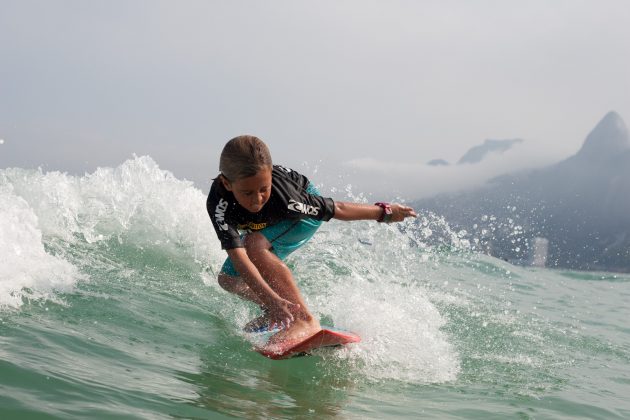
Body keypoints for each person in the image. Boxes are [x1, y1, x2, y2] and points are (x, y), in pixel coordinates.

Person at [207, 135, 417, 351]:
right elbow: (238, 256)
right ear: (227, 184)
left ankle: (303, 319)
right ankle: (276, 310)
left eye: (263, 189)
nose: (257, 199)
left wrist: (385, 212)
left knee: (254, 244)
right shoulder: (218, 204)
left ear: (270, 176)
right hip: (268, 224)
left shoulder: (288, 198)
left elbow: (339, 209)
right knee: (228, 280)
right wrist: (270, 299)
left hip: (300, 217)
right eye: (247, 192)